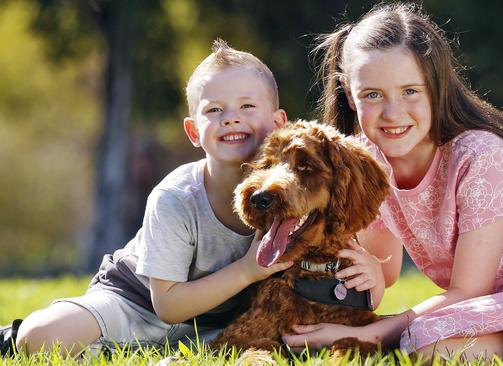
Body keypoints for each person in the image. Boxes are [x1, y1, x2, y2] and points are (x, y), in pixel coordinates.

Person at [282, 3, 503, 360]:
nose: (393, 113)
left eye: (410, 91)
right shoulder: (366, 162)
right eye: (372, 95)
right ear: (348, 91)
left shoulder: (480, 154)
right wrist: (366, 271)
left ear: (436, 85)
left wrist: (369, 334)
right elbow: (385, 273)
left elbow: (467, 291)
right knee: (427, 348)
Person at [1, 39, 296, 357]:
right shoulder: (176, 197)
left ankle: (112, 353)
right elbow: (167, 304)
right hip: (136, 301)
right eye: (214, 109)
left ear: (279, 123)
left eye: (247, 106)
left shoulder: (294, 191)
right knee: (39, 336)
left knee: (277, 343)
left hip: (214, 324)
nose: (231, 118)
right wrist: (247, 270)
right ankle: (18, 337)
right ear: (194, 131)